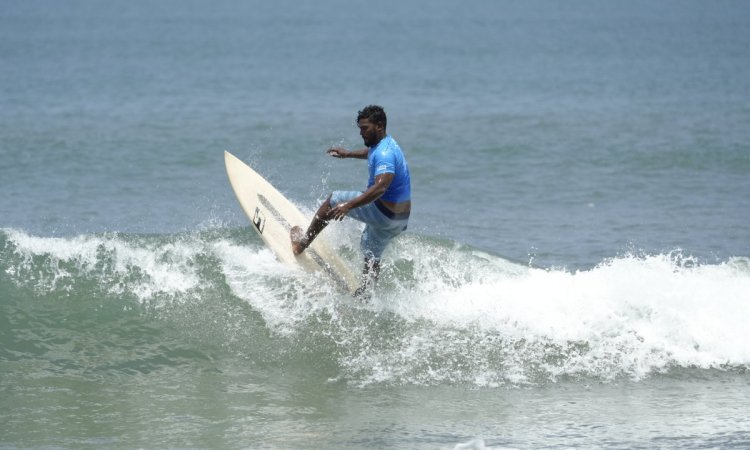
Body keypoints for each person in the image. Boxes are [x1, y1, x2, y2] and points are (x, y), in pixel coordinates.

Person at [290, 105, 411, 298]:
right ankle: (365, 296)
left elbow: (380, 187)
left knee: (333, 199)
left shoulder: (384, 154)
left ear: (379, 125)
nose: (361, 133)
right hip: (398, 220)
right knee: (371, 250)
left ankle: (301, 244)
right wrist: (347, 154)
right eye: (360, 128)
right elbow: (370, 153)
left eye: (365, 128)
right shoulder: (386, 145)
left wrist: (348, 206)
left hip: (384, 212)